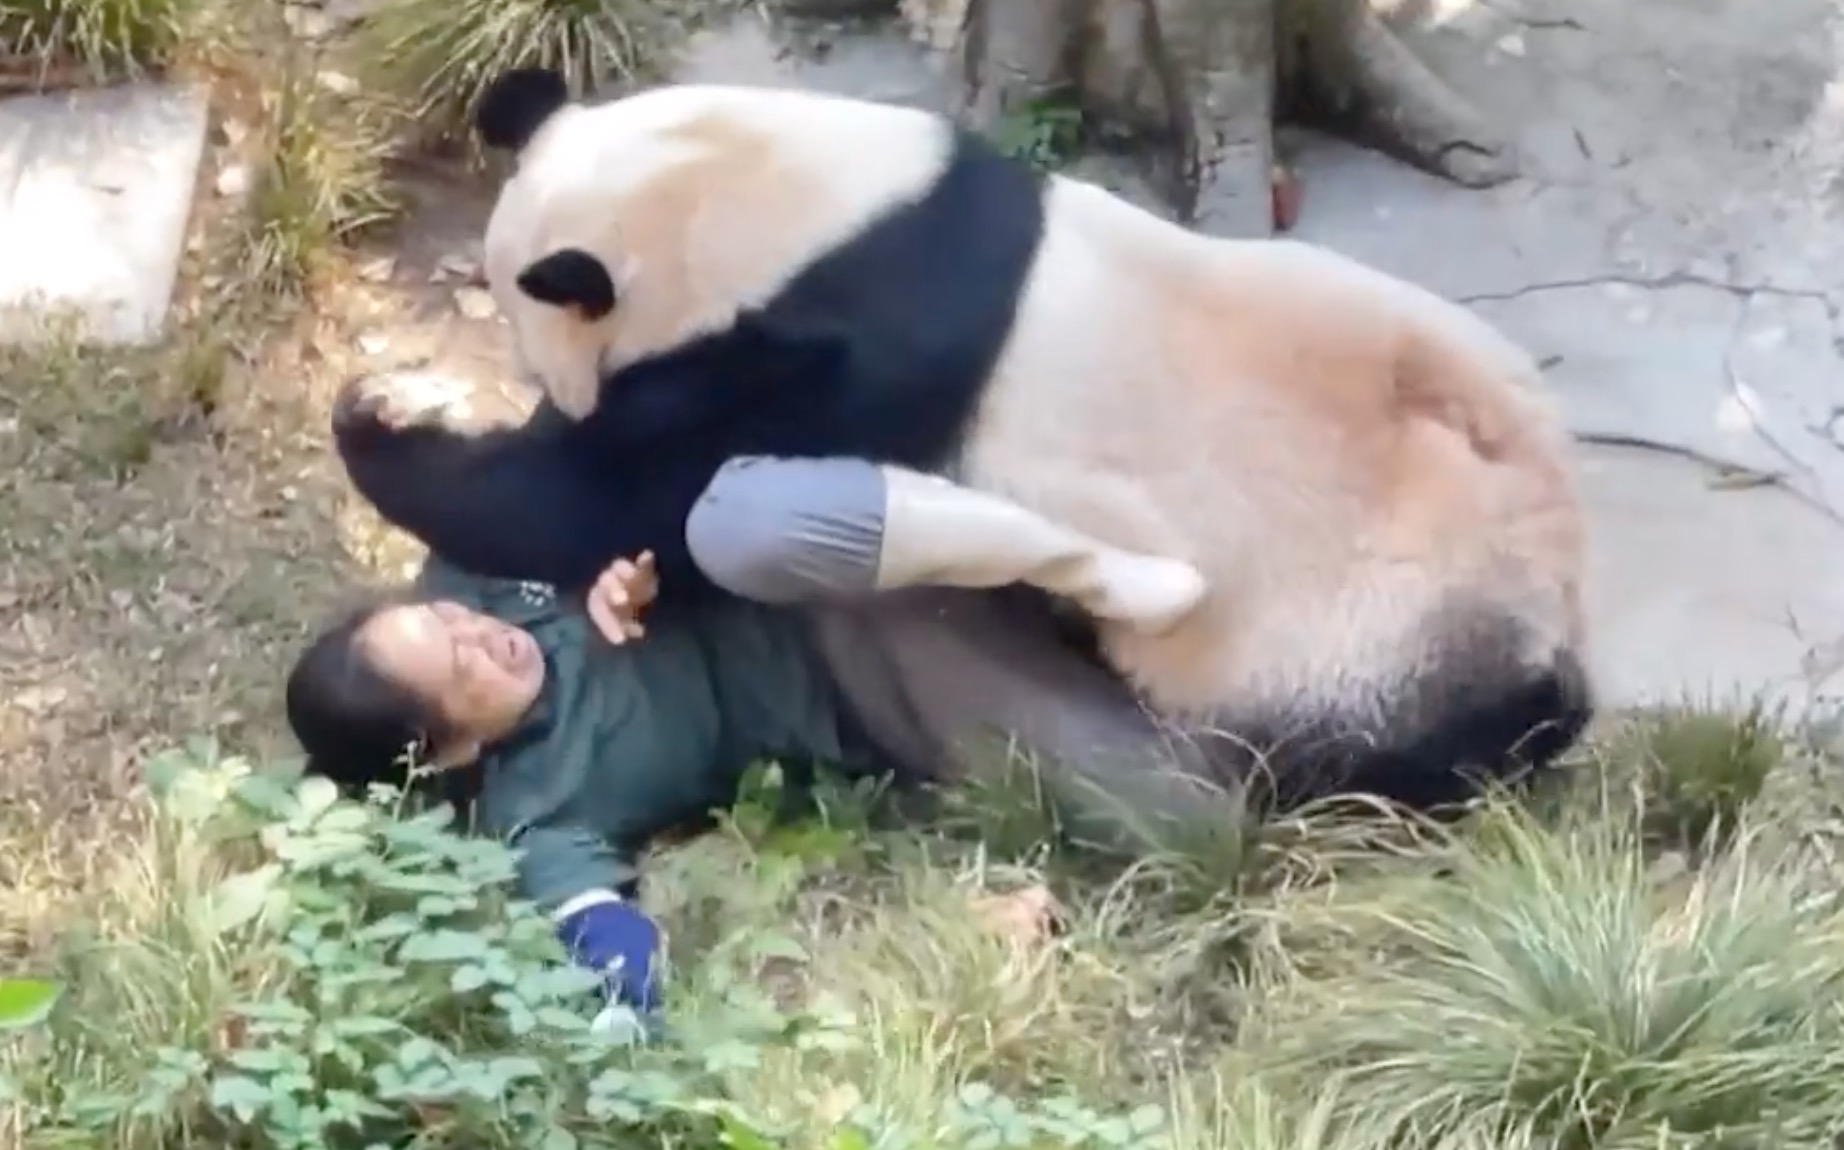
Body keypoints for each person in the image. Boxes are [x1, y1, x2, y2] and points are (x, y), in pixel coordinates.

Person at [286, 375, 1228, 1027]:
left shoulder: (472, 563)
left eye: (449, 620)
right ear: (449, 754)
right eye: (463, 672)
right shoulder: (539, 815)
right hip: (870, 666)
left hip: (796, 520)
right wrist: (620, 1022)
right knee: (1187, 809)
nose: (482, 637)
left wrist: (617, 561)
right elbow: (602, 938)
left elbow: (578, 428)